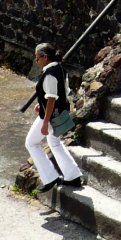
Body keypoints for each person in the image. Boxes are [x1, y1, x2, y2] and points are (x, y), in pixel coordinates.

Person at [25, 44, 83, 191]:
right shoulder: (60, 69)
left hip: (50, 116)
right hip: (59, 112)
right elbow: (63, 91)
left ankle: (50, 177)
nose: (36, 61)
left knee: (31, 143)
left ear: (45, 57)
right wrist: (41, 103)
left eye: (37, 58)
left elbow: (51, 98)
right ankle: (73, 176)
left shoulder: (50, 74)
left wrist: (45, 122)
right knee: (54, 142)